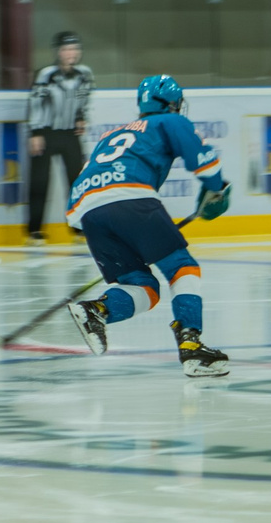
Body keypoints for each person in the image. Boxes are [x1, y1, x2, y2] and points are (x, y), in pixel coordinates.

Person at [64, 74, 232, 378]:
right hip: (132, 200)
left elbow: (83, 189)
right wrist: (217, 189)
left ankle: (96, 311)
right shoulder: (169, 122)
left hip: (87, 213)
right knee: (182, 268)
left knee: (143, 286)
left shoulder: (113, 134)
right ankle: (191, 346)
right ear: (170, 103)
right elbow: (206, 164)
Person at [25, 31, 94, 243]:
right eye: (66, 49)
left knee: (76, 182)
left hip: (69, 134)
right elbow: (35, 103)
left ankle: (77, 228)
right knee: (39, 182)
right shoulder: (46, 74)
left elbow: (84, 99)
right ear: (58, 52)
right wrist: (35, 133)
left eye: (75, 49)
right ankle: (34, 230)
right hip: (45, 134)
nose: (71, 53)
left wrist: (81, 117)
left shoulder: (85, 74)